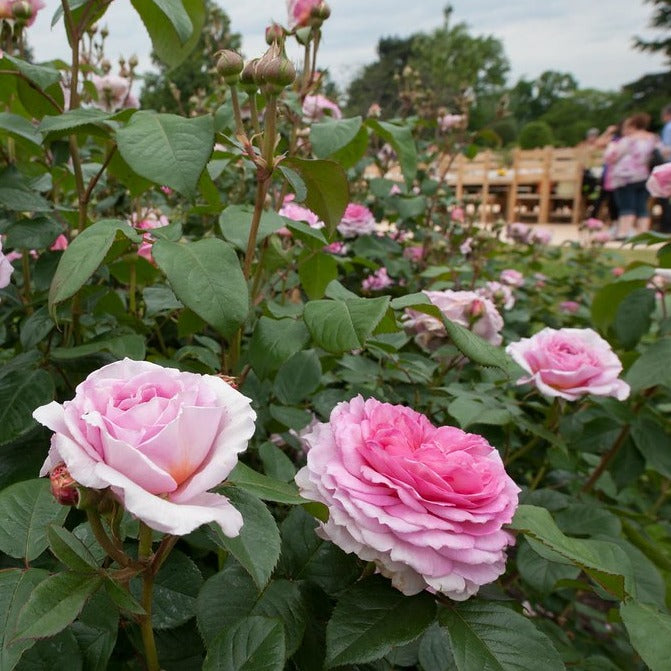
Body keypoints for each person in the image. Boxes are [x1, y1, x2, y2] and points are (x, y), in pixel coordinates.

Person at [603, 113, 661, 238]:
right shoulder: (653, 138)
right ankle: (644, 234)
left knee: (626, 206)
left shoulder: (628, 140)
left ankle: (624, 233)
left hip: (626, 176)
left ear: (633, 125)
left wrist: (611, 147)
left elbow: (613, 157)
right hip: (645, 175)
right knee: (642, 207)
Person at [657, 104, 671, 232]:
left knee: (665, 198)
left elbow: (666, 150)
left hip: (669, 167)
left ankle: (666, 227)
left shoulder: (668, 127)